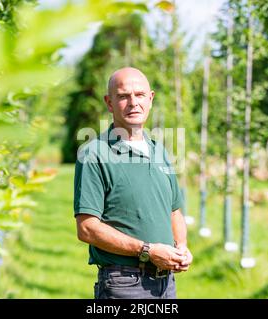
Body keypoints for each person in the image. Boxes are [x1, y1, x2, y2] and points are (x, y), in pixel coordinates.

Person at [74, 67, 193, 299]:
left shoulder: (160, 150)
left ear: (150, 99)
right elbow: (87, 228)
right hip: (124, 284)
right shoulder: (94, 154)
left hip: (167, 283)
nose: (133, 103)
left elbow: (174, 211)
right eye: (123, 96)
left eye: (139, 95)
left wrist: (182, 246)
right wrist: (147, 251)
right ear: (109, 103)